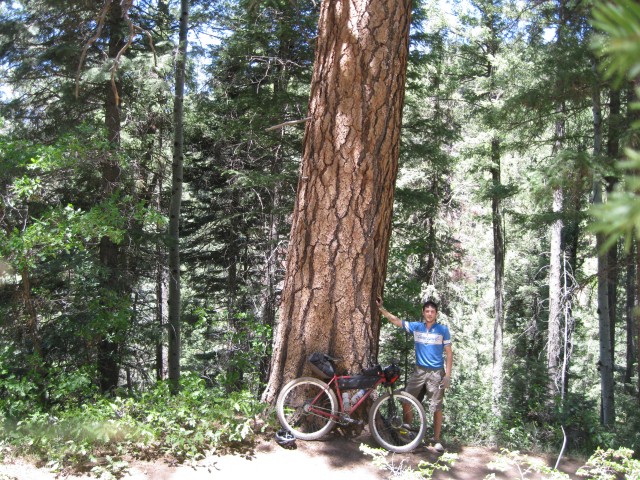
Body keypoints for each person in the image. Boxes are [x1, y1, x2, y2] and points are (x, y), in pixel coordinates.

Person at [376, 297, 453, 453]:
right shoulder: (417, 327)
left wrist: (447, 376)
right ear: (423, 313)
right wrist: (381, 309)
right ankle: (407, 432)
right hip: (419, 371)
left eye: (432, 311)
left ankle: (436, 440)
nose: (429, 314)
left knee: (436, 406)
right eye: (427, 311)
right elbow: (397, 321)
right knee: (406, 399)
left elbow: (449, 354)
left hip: (436, 373)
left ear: (436, 313)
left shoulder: (442, 330)